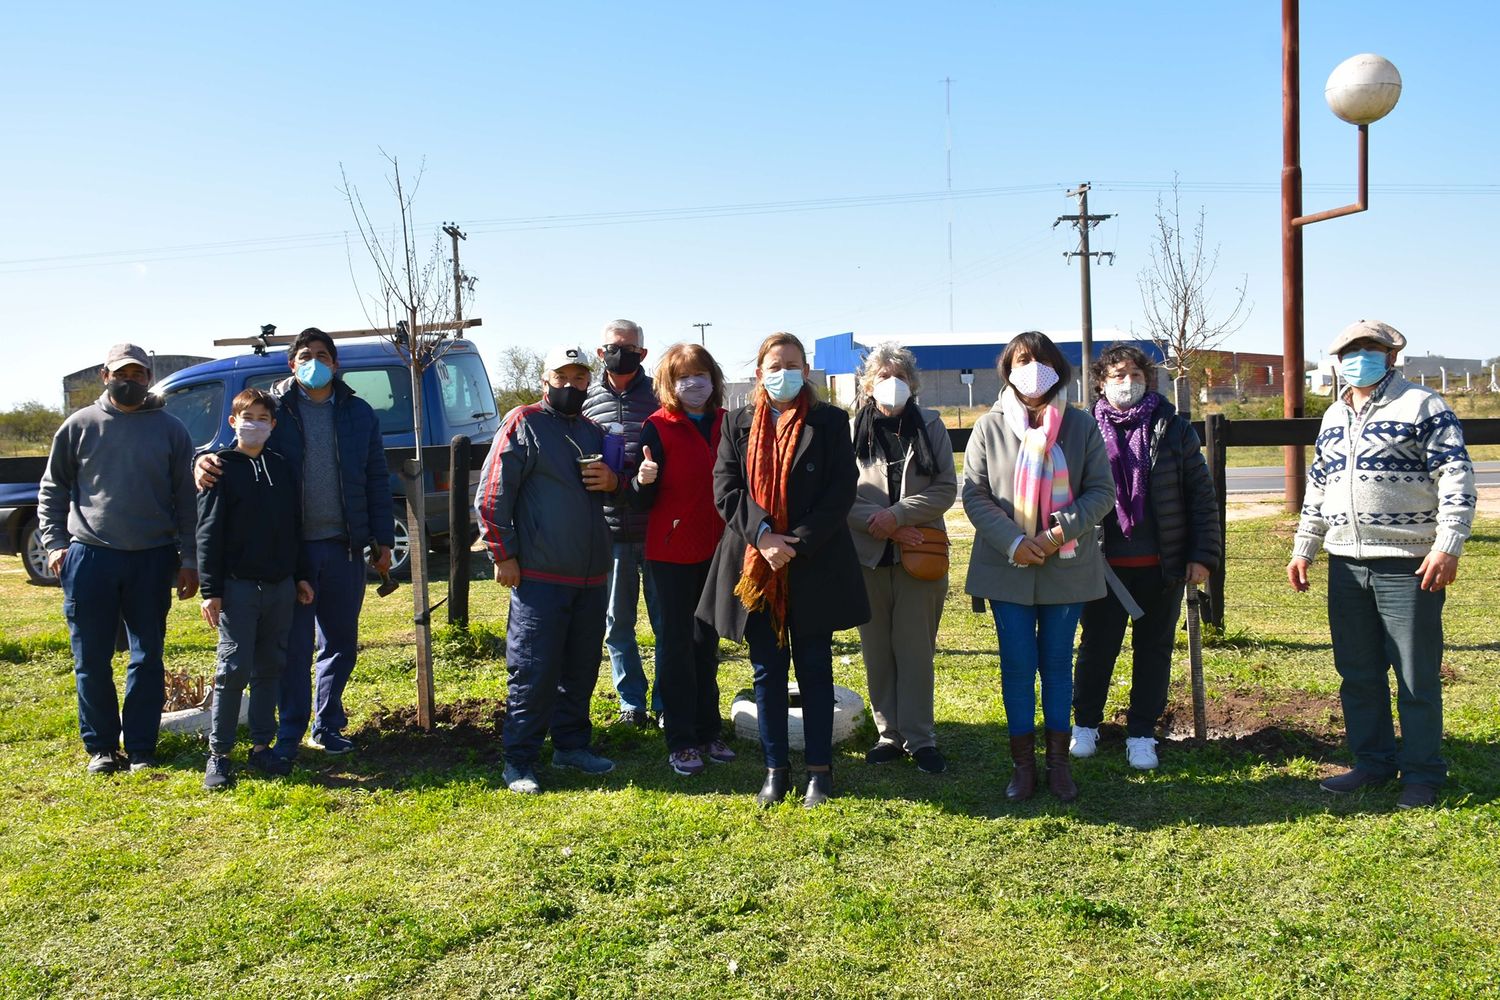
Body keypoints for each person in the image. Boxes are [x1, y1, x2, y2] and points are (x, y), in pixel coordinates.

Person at [1287, 320, 1474, 810]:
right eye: (1351, 351)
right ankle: (1372, 763)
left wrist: (1448, 544)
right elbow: (1319, 486)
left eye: (1371, 350)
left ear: (1392, 355)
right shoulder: (1332, 415)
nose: (1359, 359)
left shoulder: (1424, 406)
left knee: (1415, 675)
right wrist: (1304, 546)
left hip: (1408, 564)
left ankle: (1422, 774)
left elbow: (1455, 477)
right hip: (1346, 563)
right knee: (1358, 672)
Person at [195, 328, 394, 762]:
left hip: (344, 547)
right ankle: (288, 732)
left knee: (340, 642)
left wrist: (380, 538)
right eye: (306, 355)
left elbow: (376, 477)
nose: (315, 361)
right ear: (292, 363)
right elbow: (240, 443)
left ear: (336, 363)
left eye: (323, 355)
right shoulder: (275, 408)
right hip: (293, 554)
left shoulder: (359, 413)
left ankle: (328, 725)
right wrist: (202, 461)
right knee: (291, 648)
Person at [697, 332, 869, 808]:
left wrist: (795, 544)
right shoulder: (737, 422)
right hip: (757, 565)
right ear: (759, 372)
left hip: (812, 562)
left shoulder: (831, 421)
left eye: (793, 364)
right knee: (766, 671)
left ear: (807, 371)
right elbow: (726, 489)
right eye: (775, 364)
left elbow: (841, 490)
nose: (784, 373)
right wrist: (765, 537)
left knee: (814, 668)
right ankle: (776, 770)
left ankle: (820, 772)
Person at [962, 331, 1115, 803]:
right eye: (1022, 359)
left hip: (1064, 563)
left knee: (1055, 663)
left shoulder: (1081, 426)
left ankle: (1059, 765)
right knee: (1017, 665)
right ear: (1008, 367)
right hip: (1007, 565)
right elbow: (974, 493)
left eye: (1041, 359)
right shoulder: (989, 426)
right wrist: (1013, 540)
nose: (1032, 368)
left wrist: (1055, 534)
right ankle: (1023, 766)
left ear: (1057, 368)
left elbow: (1101, 493)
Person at [39, 343, 199, 774]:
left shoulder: (170, 430)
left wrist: (190, 559)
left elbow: (186, 499)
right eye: (121, 374)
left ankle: (143, 747)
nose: (131, 381)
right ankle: (103, 748)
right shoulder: (79, 425)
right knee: (91, 658)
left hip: (152, 557)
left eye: (139, 374)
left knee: (147, 657)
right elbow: (53, 489)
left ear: (148, 378)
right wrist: (55, 545)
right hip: (91, 556)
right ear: (105, 377)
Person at [478, 345, 623, 795]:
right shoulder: (524, 421)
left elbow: (621, 489)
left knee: (581, 667)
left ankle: (571, 746)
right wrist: (503, 554)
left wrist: (617, 480)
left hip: (591, 573)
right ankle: (519, 759)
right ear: (546, 379)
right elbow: (492, 493)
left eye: (580, 378)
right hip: (540, 574)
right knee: (534, 669)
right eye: (562, 376)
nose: (571, 385)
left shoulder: (596, 431)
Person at [1071, 344, 1221, 770]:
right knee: (1097, 649)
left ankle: (1141, 734)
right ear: (1100, 382)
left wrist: (1202, 555)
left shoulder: (1173, 428)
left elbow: (1201, 498)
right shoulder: (1083, 430)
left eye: (1136, 374)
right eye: (1117, 374)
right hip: (1100, 567)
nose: (1127, 382)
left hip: (1162, 567)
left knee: (1153, 651)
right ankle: (1086, 725)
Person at [196, 389, 316, 790]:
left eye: (263, 418)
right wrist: (211, 589)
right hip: (238, 588)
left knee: (271, 668)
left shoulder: (281, 468)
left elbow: (292, 528)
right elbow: (208, 532)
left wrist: (299, 575)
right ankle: (220, 753)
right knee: (233, 670)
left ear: (273, 425)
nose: (256, 424)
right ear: (233, 421)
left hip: (280, 587)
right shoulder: (219, 468)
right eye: (248, 416)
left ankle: (262, 746)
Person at [846, 342, 957, 775]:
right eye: (882, 377)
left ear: (913, 384)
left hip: (920, 555)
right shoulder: (850, 429)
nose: (892, 385)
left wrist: (897, 516)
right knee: (877, 652)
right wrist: (879, 521)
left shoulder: (931, 424)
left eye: (900, 377)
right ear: (868, 385)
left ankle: (920, 738)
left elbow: (946, 488)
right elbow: (839, 496)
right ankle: (888, 735)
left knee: (914, 652)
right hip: (868, 556)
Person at [627, 342, 736, 776]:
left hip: (718, 551)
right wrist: (642, 479)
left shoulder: (729, 423)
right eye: (683, 376)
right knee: (675, 646)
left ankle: (710, 730)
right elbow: (640, 499)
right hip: (670, 554)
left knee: (706, 644)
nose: (694, 383)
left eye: (701, 374)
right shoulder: (657, 426)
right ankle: (681, 739)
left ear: (714, 379)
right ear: (669, 383)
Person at [583, 319, 665, 727]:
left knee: (666, 621)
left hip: (656, 528)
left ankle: (667, 703)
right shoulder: (585, 398)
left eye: (630, 348)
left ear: (643, 354)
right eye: (614, 347)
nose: (622, 353)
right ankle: (631, 702)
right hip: (609, 529)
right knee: (617, 623)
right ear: (601, 352)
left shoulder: (660, 395)